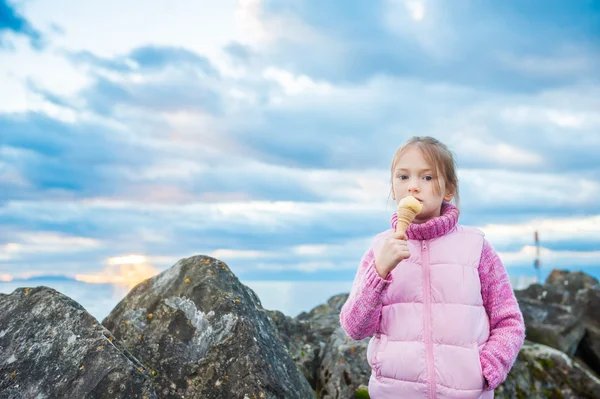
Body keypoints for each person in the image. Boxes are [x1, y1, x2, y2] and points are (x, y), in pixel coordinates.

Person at [339, 136, 525, 398]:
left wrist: (487, 369)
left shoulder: (476, 247)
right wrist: (378, 273)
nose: (413, 187)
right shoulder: (379, 250)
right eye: (403, 177)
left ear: (448, 189)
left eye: (427, 178)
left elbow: (509, 320)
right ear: (393, 190)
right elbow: (355, 328)